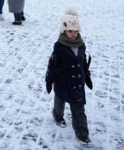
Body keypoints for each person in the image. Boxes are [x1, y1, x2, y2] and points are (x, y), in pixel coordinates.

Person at [45, 9, 93, 147]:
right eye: (70, 31)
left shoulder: (81, 45)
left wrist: (87, 75)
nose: (73, 34)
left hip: (77, 83)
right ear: (63, 31)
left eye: (76, 31)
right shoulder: (59, 47)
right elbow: (52, 65)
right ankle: (57, 115)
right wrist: (49, 80)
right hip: (62, 81)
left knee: (78, 109)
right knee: (60, 99)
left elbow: (83, 62)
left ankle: (83, 135)